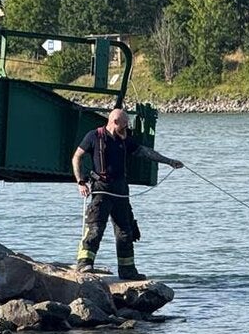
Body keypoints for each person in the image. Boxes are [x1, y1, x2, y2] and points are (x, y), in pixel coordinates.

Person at [71, 107, 183, 279]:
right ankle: (85, 264)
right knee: (95, 228)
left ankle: (127, 270)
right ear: (114, 122)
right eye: (124, 125)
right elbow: (76, 157)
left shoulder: (124, 140)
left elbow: (145, 152)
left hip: (121, 190)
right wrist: (80, 182)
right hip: (102, 189)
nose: (126, 128)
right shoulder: (94, 136)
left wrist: (169, 161)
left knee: (126, 231)